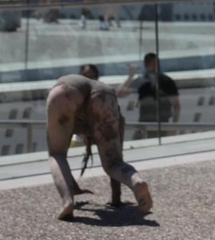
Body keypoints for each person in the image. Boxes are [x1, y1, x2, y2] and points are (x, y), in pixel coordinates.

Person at [44, 67, 153, 221]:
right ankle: (136, 181)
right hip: (105, 96)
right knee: (113, 163)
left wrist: (71, 191)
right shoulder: (115, 114)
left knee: (57, 154)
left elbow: (63, 160)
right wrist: (116, 199)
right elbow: (117, 155)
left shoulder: (75, 83)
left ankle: (67, 202)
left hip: (64, 91)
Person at [122, 52, 181, 126]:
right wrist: (130, 76)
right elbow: (120, 93)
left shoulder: (166, 81)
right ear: (145, 65)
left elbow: (176, 105)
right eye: (150, 63)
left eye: (155, 63)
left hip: (162, 123)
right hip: (145, 123)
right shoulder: (142, 81)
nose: (154, 65)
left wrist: (173, 127)